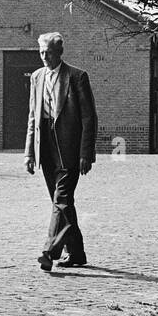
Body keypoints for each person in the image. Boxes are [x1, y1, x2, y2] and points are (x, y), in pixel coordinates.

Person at [23, 32, 98, 271]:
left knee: (61, 200)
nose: (45, 57)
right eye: (41, 53)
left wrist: (86, 153)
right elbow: (32, 117)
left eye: (49, 53)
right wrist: (29, 153)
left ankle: (49, 251)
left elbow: (89, 117)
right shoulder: (36, 77)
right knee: (62, 204)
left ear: (59, 53)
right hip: (45, 148)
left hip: (70, 149)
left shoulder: (77, 77)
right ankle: (76, 253)